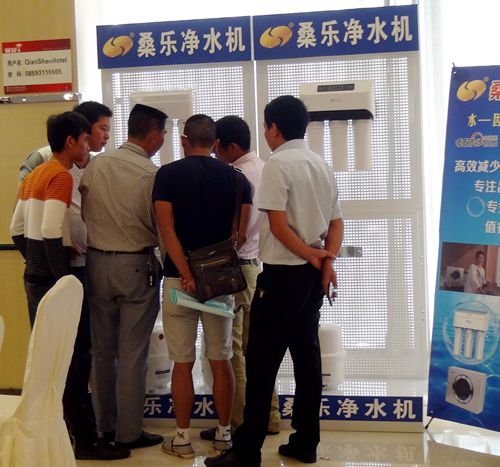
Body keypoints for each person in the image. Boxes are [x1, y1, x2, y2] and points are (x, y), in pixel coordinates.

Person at [205, 95, 344, 467]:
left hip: (282, 276)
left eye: (266, 126)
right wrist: (324, 259)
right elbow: (336, 224)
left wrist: (314, 255)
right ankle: (306, 442)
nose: (266, 133)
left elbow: (278, 227)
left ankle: (246, 451)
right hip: (312, 279)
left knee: (261, 362)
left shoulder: (278, 164)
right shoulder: (321, 164)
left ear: (274, 128)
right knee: (307, 360)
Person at [15, 102, 127, 460]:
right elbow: (51, 231)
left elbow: (16, 229)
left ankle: (62, 433)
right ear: (71, 141)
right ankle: (86, 439)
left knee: (51, 358)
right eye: (85, 139)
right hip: (58, 278)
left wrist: (36, 266)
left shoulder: (35, 173)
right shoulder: (60, 175)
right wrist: (62, 282)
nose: (89, 146)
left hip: (34, 279)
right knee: (75, 358)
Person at [152, 114, 252, 459]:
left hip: (178, 281)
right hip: (220, 281)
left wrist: (186, 272)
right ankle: (224, 434)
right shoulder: (237, 179)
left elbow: (167, 231)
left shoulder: (167, 176)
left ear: (184, 140)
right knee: (221, 358)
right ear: (216, 143)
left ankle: (182, 437)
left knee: (182, 362)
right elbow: (240, 235)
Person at [79, 103, 166, 450]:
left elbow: (82, 210)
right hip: (136, 267)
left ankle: (104, 427)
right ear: (155, 135)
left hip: (96, 264)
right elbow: (161, 226)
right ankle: (128, 433)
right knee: (132, 352)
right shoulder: (152, 174)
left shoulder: (97, 165)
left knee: (102, 351)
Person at [198, 115, 280, 442]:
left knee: (232, 351)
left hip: (234, 267)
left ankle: (239, 423)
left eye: (216, 147)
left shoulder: (235, 176)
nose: (214, 153)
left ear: (229, 146)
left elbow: (233, 228)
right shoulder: (266, 169)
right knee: (256, 349)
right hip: (258, 267)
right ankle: (269, 417)